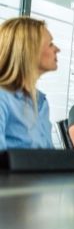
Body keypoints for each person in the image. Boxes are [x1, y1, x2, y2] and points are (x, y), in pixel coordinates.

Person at [0, 16, 60, 150]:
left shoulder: (40, 102)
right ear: (29, 50)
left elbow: (47, 158)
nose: (57, 49)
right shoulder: (3, 98)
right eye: (50, 44)